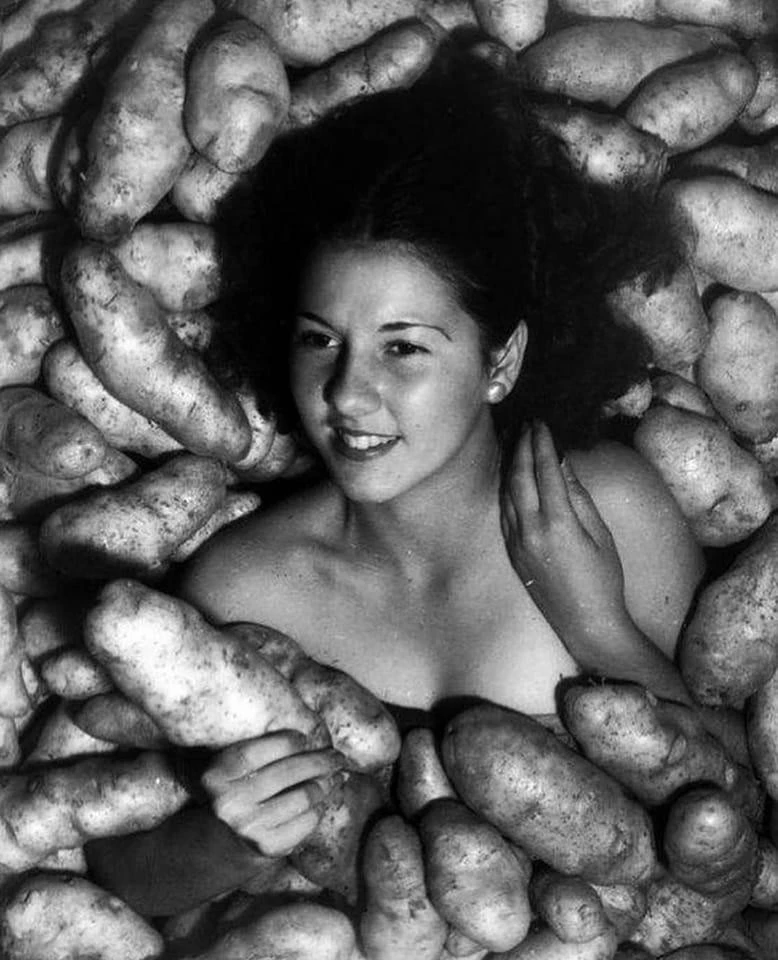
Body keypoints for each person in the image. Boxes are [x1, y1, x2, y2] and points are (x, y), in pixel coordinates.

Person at [86, 31, 712, 916]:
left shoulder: (611, 512)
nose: (347, 393)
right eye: (320, 340)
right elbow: (120, 876)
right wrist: (222, 839)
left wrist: (601, 628)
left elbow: (739, 816)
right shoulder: (244, 589)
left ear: (500, 361)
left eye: (403, 348)